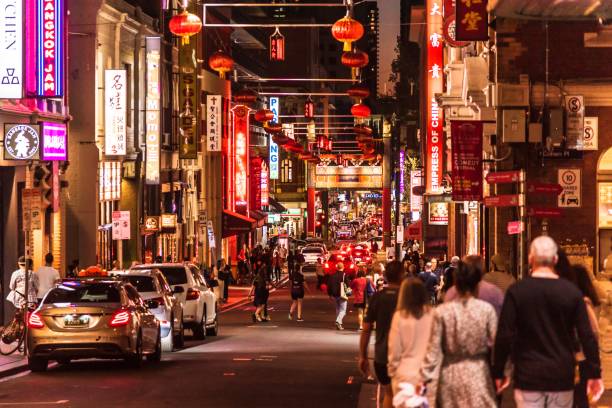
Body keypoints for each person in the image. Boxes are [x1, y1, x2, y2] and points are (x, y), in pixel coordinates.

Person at [493, 236, 604, 408]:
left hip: (527, 373)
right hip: (562, 373)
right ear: (555, 259)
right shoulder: (571, 292)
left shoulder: (517, 291)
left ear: (530, 258)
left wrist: (499, 370)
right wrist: (595, 373)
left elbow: (504, 334)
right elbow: (587, 336)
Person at [419, 259, 498, 408]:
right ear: (476, 284)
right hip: (478, 372)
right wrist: (502, 372)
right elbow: (496, 345)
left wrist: (424, 377)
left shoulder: (443, 312)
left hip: (450, 374)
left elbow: (433, 350)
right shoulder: (486, 310)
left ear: (456, 283)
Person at [359, 261, 404, 408]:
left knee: (389, 393)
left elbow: (366, 329)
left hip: (382, 355)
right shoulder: (407, 297)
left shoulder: (377, 297)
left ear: (386, 276)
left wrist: (363, 355)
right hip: (404, 355)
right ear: (402, 275)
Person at [387, 278, 433, 401]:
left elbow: (394, 349)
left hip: (405, 374)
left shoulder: (399, 316)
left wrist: (392, 371)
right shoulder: (433, 315)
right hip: (429, 375)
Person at [568, 264, 601, 408]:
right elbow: (593, 334)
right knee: (580, 399)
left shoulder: (576, 304)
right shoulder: (584, 305)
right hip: (581, 360)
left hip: (572, 360)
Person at [327, 262, 350, 330]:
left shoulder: (332, 275)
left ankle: (339, 325)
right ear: (343, 267)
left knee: (338, 309)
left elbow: (329, 286)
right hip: (342, 294)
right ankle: (338, 321)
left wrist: (330, 294)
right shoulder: (344, 275)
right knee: (343, 310)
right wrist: (349, 293)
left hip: (335, 295)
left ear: (337, 268)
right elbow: (348, 285)